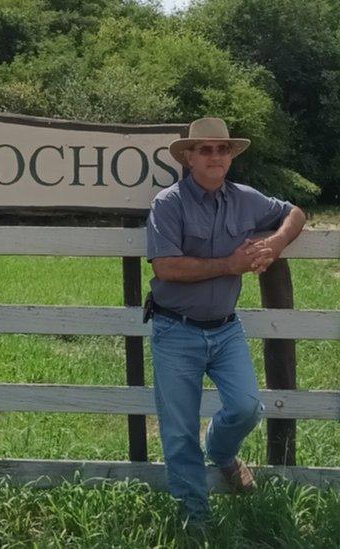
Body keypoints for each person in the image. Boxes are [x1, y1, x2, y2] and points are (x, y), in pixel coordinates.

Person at [145, 117, 306, 528]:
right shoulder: (169, 203)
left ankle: (221, 453)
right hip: (175, 329)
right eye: (205, 149)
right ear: (189, 157)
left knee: (247, 407)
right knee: (179, 431)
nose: (215, 156)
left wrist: (275, 241)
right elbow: (165, 267)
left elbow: (295, 212)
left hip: (226, 328)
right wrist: (229, 265)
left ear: (230, 155)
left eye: (222, 149)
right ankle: (195, 519)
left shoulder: (246, 199)